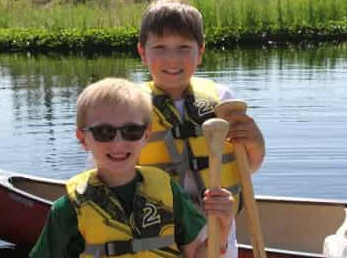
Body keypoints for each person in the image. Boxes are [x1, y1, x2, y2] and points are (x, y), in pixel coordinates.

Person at [30, 77, 234, 258]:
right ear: (83, 139)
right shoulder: (67, 210)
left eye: (131, 130)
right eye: (103, 132)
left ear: (146, 135)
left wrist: (222, 231)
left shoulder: (168, 192)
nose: (118, 143)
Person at [136, 0, 266, 257]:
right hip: (156, 233)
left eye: (184, 47)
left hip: (217, 227)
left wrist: (256, 141)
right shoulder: (127, 105)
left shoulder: (222, 99)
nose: (172, 58)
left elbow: (246, 166)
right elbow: (102, 172)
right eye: (160, 47)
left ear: (200, 53)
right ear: (142, 52)